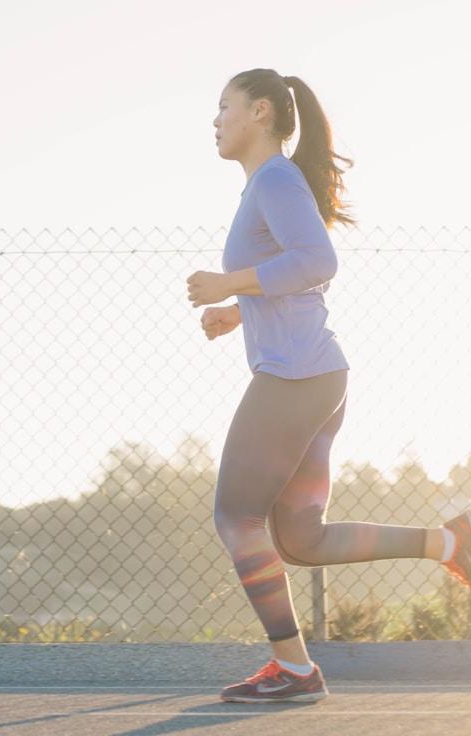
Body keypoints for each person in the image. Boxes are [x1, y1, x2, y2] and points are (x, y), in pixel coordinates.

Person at [185, 67, 471, 704]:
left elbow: (318, 261)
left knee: (236, 516)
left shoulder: (275, 180)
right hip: (317, 376)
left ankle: (293, 670)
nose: (214, 120)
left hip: (296, 377)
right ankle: (453, 541)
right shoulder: (267, 184)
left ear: (260, 112)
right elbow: (295, 275)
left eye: (223, 106)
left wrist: (229, 285)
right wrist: (240, 313)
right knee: (300, 539)